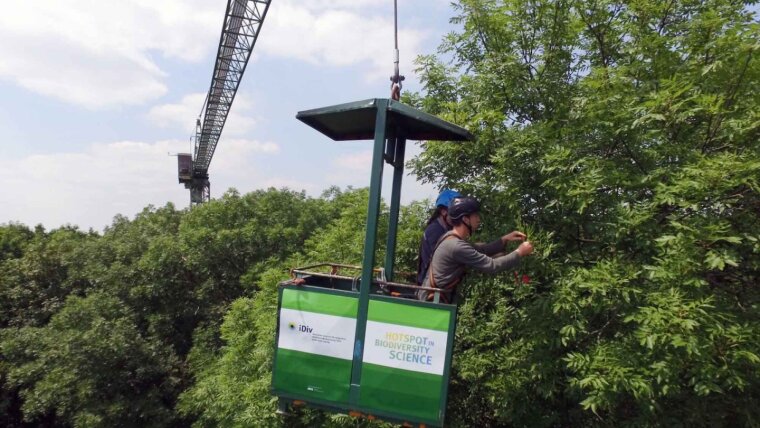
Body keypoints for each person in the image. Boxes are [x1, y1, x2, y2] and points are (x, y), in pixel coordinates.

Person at [418, 196, 534, 303]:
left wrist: (505, 239)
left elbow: (482, 249)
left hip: (435, 298)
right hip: (433, 302)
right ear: (466, 219)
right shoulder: (455, 246)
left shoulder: (451, 238)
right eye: (475, 216)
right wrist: (519, 252)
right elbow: (492, 266)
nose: (478, 219)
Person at [416, 189, 462, 285]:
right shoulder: (436, 230)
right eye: (455, 213)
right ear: (443, 211)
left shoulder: (444, 229)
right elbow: (446, 257)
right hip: (430, 287)